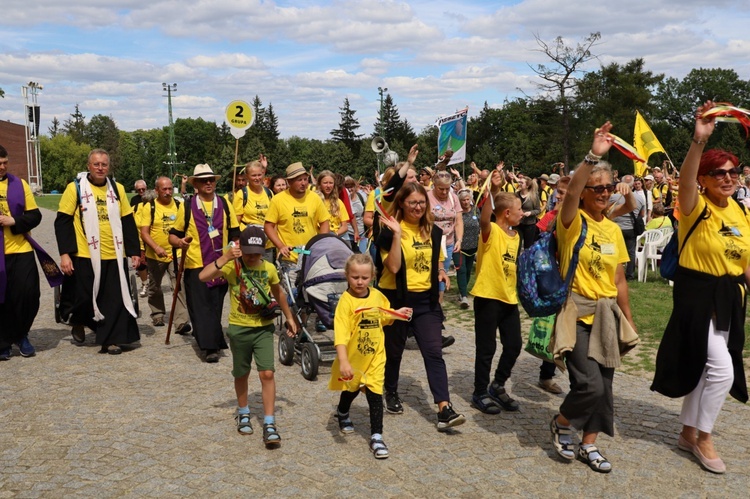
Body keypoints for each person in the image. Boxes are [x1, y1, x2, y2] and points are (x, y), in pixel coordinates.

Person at [651, 101, 750, 475]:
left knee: (708, 369)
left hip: (729, 295)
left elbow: (744, 260)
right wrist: (698, 141)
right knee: (722, 371)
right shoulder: (695, 205)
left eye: (734, 172)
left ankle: (687, 432)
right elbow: (686, 178)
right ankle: (704, 438)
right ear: (705, 180)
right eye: (719, 173)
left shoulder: (740, 210)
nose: (728, 177)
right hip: (697, 293)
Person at [549, 122, 638, 473]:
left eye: (608, 187)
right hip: (577, 311)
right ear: (584, 191)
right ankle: (562, 422)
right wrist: (592, 156)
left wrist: (628, 318)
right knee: (588, 384)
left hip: (607, 313)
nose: (604, 193)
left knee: (606, 384)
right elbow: (569, 194)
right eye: (596, 188)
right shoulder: (572, 221)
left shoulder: (613, 229)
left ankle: (590, 444)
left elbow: (619, 280)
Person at [376, 182, 466, 431]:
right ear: (402, 204)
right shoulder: (388, 231)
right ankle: (391, 391)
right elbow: (392, 268)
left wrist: (441, 272)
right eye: (413, 202)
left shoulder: (434, 231)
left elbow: (438, 259)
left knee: (434, 352)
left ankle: (444, 409)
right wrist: (395, 235)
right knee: (394, 352)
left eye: (422, 202)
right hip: (395, 298)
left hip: (425, 301)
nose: (418, 206)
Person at [199, 225, 297, 448]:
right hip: (239, 328)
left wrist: (290, 318)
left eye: (257, 253)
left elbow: (278, 293)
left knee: (267, 373)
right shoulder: (233, 267)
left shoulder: (269, 268)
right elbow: (203, 276)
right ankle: (243, 412)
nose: (253, 257)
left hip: (263, 328)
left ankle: (269, 422)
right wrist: (224, 257)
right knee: (241, 372)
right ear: (240, 249)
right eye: (248, 253)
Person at [55, 149, 142, 354]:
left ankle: (112, 339)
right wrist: (65, 254)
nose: (100, 168)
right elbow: (63, 222)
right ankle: (79, 319)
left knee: (113, 299)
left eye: (104, 164)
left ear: (109, 167)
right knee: (84, 297)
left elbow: (127, 221)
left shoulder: (117, 189)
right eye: (96, 164)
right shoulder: (75, 188)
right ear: (88, 166)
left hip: (114, 252)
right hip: (85, 252)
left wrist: (134, 251)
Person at [329, 253, 412, 459]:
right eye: (355, 277)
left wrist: (397, 313)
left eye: (364, 278)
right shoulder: (345, 303)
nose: (359, 281)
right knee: (352, 389)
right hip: (354, 359)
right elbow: (340, 336)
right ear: (347, 276)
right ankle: (342, 411)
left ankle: (377, 437)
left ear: (372, 277)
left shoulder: (377, 296)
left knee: (375, 394)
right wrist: (344, 362)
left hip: (375, 357)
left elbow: (383, 314)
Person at [169, 164, 240, 363]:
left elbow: (235, 232)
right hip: (195, 265)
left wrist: (236, 248)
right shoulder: (187, 206)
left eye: (211, 180)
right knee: (200, 307)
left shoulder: (225, 204)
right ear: (196, 184)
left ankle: (212, 338)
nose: (208, 183)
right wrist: (180, 242)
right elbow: (173, 236)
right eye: (203, 180)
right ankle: (209, 347)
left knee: (215, 306)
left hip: (221, 265)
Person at [469, 176, 524, 414]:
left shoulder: (517, 236)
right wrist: (493, 189)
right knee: (486, 348)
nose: (523, 213)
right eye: (520, 209)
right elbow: (484, 218)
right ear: (507, 213)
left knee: (514, 345)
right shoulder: (490, 231)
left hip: (508, 298)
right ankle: (479, 391)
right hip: (487, 297)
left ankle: (498, 385)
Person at [0, 144, 60, 360]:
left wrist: (13, 220)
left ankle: (21, 333)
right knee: (2, 298)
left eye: (5, 163)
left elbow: (35, 216)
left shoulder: (20, 184)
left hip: (21, 248)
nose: (2, 167)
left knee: (29, 294)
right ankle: (4, 341)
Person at [138, 176, 190, 332]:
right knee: (155, 287)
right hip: (155, 255)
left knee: (179, 286)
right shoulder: (150, 207)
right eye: (164, 189)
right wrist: (156, 248)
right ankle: (157, 313)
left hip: (177, 253)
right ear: (156, 191)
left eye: (170, 189)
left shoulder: (180, 205)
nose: (168, 192)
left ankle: (181, 321)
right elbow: (144, 233)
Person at [535, 176, 572, 394]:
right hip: (556, 279)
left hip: (577, 280)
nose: (557, 195)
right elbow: (541, 242)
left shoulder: (582, 215)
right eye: (557, 191)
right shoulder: (551, 215)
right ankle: (546, 375)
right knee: (556, 327)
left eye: (563, 193)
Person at [265, 163, 330, 283]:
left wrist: (321, 243)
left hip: (311, 256)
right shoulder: (278, 200)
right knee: (292, 296)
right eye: (299, 180)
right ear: (289, 182)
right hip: (289, 257)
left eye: (305, 179)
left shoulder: (314, 198)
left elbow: (325, 221)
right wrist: (280, 246)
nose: (303, 183)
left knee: (310, 294)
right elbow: (268, 226)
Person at [427, 171, 463, 300]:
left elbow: (458, 220)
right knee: (430, 274)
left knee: (442, 273)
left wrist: (459, 239)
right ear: (434, 185)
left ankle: (439, 304)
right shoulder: (427, 197)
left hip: (448, 242)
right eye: (441, 189)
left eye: (447, 189)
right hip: (430, 242)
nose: (444, 192)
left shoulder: (453, 198)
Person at [234, 160, 274, 260]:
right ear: (247, 176)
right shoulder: (242, 194)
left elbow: (274, 219)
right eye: (253, 175)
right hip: (249, 244)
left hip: (267, 244)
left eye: (259, 175)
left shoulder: (269, 193)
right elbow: (236, 222)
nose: (257, 178)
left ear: (263, 174)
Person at [608, 175, 644, 281]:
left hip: (616, 227)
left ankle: (613, 273)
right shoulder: (640, 198)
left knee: (613, 251)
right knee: (631, 252)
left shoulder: (613, 198)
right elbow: (642, 214)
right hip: (630, 228)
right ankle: (630, 274)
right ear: (632, 185)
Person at [455, 189, 479, 309]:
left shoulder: (475, 210)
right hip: (459, 246)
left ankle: (462, 290)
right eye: (463, 200)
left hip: (473, 246)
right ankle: (464, 296)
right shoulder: (458, 213)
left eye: (467, 199)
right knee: (462, 270)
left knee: (469, 270)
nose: (465, 202)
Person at [130, 180, 150, 298]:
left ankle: (153, 283)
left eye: (143, 189)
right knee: (141, 265)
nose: (141, 192)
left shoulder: (153, 200)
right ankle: (145, 283)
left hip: (153, 240)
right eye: (139, 190)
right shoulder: (134, 203)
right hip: (140, 239)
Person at [316, 170, 350, 238]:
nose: (328, 186)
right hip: (319, 237)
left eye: (331, 183)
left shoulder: (338, 202)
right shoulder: (315, 200)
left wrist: (335, 234)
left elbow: (345, 226)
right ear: (320, 184)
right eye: (325, 183)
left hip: (336, 236)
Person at [517, 176, 541, 249]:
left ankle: (527, 260)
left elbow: (538, 210)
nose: (519, 184)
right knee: (517, 245)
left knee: (528, 246)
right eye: (519, 182)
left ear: (527, 186)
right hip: (518, 223)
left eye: (522, 183)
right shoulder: (516, 195)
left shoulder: (534, 196)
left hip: (529, 224)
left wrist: (530, 213)